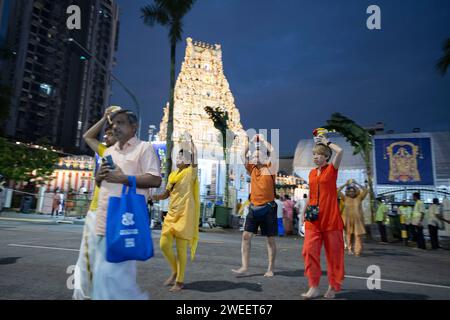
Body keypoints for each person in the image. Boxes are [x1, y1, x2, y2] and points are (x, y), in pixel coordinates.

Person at [93, 110, 161, 300]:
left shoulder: (144, 148)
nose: (115, 126)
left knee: (116, 277)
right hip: (103, 221)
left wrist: (125, 178)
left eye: (121, 122)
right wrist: (98, 177)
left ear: (133, 127)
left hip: (125, 222)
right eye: (114, 123)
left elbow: (155, 179)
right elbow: (102, 182)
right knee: (101, 276)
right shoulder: (108, 151)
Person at [72, 106, 119, 300]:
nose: (105, 137)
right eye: (105, 134)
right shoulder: (104, 151)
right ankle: (83, 296)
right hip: (96, 211)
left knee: (107, 262)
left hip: (114, 213)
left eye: (110, 134)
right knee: (86, 259)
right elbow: (88, 137)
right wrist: (104, 118)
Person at [152, 137, 200, 292]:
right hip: (172, 214)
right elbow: (166, 193)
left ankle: (179, 281)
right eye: (178, 156)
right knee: (164, 245)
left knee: (181, 249)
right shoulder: (172, 175)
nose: (179, 158)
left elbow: (195, 159)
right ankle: (174, 270)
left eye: (183, 157)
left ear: (188, 161)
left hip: (185, 214)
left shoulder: (190, 172)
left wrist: (191, 145)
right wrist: (155, 196)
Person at [301, 134, 344, 299]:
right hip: (313, 219)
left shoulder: (332, 170)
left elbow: (340, 152)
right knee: (308, 251)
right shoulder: (311, 174)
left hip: (331, 220)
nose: (315, 157)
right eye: (314, 154)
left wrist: (327, 142)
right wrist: (304, 212)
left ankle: (333, 286)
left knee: (334, 255)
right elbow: (311, 194)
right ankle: (313, 286)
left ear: (326, 157)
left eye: (318, 154)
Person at [232, 134, 278, 277]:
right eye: (253, 155)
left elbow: (274, 153)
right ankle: (244, 267)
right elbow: (241, 155)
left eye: (258, 155)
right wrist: (250, 144)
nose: (254, 157)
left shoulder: (270, 168)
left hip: (268, 208)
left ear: (265, 158)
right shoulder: (252, 169)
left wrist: (263, 141)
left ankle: (270, 268)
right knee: (246, 236)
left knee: (270, 239)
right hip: (254, 207)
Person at [338, 180, 368, 256]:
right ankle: (350, 249)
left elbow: (366, 190)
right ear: (347, 192)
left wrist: (357, 183)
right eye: (350, 191)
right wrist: (345, 184)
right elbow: (337, 190)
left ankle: (357, 251)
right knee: (349, 235)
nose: (351, 193)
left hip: (357, 221)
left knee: (357, 236)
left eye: (353, 191)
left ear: (355, 192)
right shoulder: (345, 198)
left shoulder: (359, 198)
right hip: (348, 220)